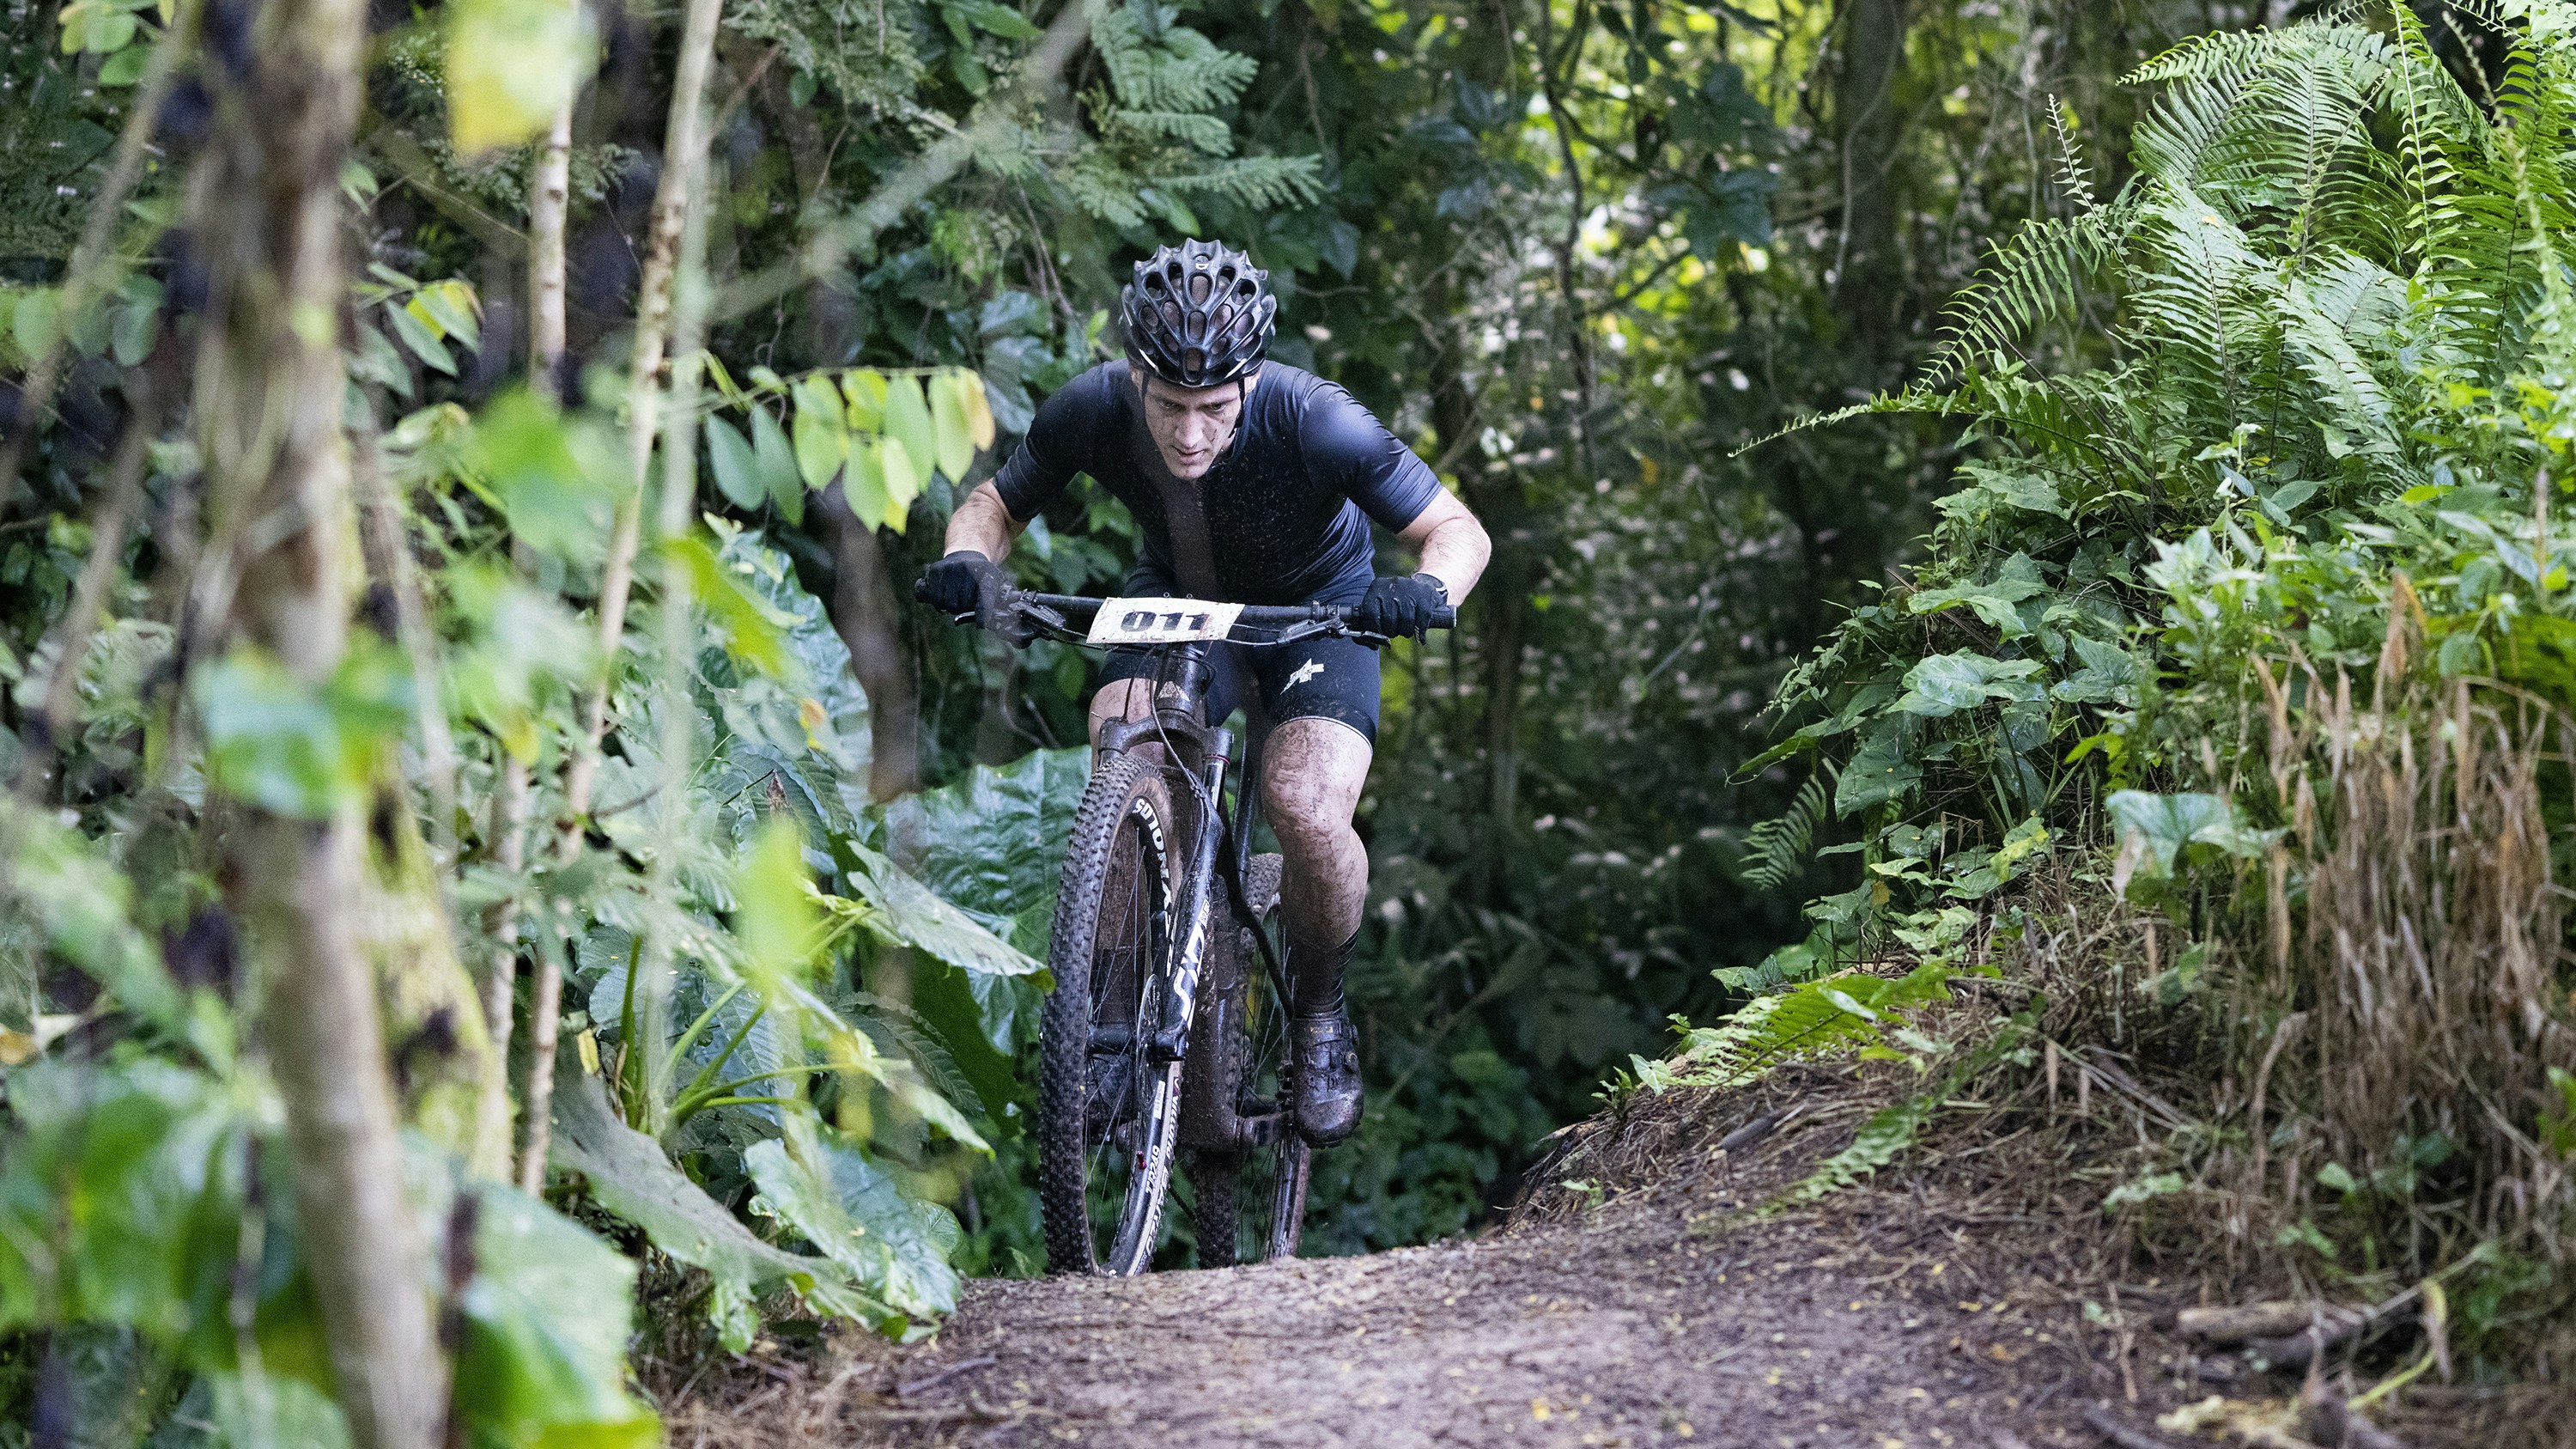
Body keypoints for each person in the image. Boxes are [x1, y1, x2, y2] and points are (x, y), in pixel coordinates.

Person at [918, 239, 1492, 1147]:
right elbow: (994, 505)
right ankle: (1113, 1007)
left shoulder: (1316, 419)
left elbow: (1457, 530)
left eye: (1215, 408)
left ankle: (1318, 1012)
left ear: (1250, 385)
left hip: (1322, 614)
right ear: (1136, 379)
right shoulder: (1093, 408)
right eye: (1170, 407)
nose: (1190, 434)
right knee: (1124, 744)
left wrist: (1426, 590)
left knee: (1303, 805)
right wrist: (964, 561)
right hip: (1180, 602)